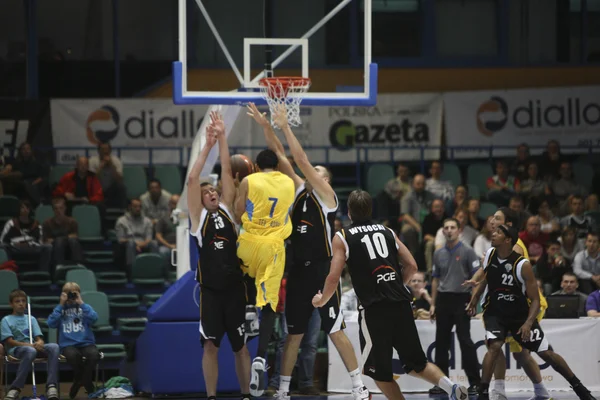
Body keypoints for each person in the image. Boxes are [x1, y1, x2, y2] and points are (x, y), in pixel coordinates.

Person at [248, 103, 370, 400]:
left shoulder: (327, 198)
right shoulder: (302, 191)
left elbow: (299, 159)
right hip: (299, 271)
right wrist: (267, 127)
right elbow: (282, 158)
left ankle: (359, 387)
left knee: (335, 330)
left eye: (318, 172)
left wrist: (285, 126)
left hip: (322, 270)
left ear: (325, 180)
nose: (311, 172)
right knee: (294, 335)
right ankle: (284, 391)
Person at [313, 189, 468, 400]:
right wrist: (395, 285)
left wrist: (322, 300)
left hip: (375, 310)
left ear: (349, 213)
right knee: (417, 364)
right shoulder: (387, 231)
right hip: (401, 304)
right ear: (370, 210)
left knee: (379, 373)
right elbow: (412, 265)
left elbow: (333, 277)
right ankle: (451, 387)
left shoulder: (342, 236)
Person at [466, 225, 595, 400]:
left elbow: (535, 299)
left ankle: (580, 389)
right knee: (494, 346)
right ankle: (483, 393)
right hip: (494, 312)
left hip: (519, 315)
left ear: (508, 240)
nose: (493, 234)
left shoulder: (522, 265)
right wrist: (474, 299)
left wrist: (527, 323)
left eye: (498, 233)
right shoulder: (489, 254)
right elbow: (488, 277)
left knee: (545, 354)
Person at [187, 111, 251, 400]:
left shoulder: (227, 209)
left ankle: (247, 393)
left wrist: (223, 136)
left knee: (241, 347)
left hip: (236, 290)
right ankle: (211, 395)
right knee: (210, 346)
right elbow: (192, 179)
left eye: (213, 190)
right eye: (207, 192)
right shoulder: (199, 219)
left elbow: (226, 170)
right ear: (201, 201)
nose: (212, 192)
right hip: (211, 293)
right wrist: (207, 146)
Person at [234, 117, 296, 396]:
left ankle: (248, 311)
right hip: (274, 246)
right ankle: (260, 356)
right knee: (270, 304)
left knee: (243, 272)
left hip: (249, 242)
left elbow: (237, 212)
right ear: (277, 166)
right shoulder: (289, 183)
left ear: (257, 166)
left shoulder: (248, 179)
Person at [464, 207, 550, 400]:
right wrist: (475, 286)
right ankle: (502, 390)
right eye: (492, 217)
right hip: (501, 303)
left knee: (520, 353)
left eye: (497, 218)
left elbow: (497, 275)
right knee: (497, 348)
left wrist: (477, 287)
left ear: (508, 225)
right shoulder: (496, 246)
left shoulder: (514, 247)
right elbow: (488, 273)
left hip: (523, 305)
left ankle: (538, 391)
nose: (492, 221)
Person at [429, 218, 481, 395]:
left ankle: (475, 382)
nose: (449, 231)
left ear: (459, 231)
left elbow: (476, 280)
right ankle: (442, 383)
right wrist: (433, 304)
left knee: (465, 340)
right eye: (446, 228)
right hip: (444, 299)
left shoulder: (468, 251)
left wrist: (474, 301)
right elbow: (435, 279)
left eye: (452, 228)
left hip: (462, 298)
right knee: (441, 342)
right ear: (443, 232)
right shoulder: (438, 253)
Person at [0, 289, 60, 400]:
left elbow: (39, 338)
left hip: (32, 348)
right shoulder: (6, 320)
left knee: (54, 347)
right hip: (17, 350)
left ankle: (51, 385)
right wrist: (30, 346)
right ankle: (15, 388)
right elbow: (10, 341)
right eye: (17, 301)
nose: (21, 303)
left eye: (23, 301)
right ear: (11, 304)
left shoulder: (31, 318)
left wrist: (39, 343)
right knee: (30, 351)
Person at [47, 282, 100, 398]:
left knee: (95, 355)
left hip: (86, 343)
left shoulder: (84, 308)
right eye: (68, 294)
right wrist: (61, 305)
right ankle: (87, 383)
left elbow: (94, 319)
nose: (71, 297)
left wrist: (81, 303)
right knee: (72, 356)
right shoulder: (60, 310)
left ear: (79, 295)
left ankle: (79, 380)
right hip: (68, 344)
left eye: (74, 294)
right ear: (63, 295)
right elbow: (51, 323)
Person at [43, 197, 83, 265]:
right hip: (55, 245)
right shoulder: (47, 223)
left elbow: (75, 235)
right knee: (59, 241)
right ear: (53, 210)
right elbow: (47, 239)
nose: (58, 211)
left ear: (65, 208)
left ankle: (78, 263)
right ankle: (59, 265)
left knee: (73, 241)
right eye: (56, 208)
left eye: (61, 208)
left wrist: (60, 238)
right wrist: (62, 238)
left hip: (69, 245)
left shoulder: (72, 221)